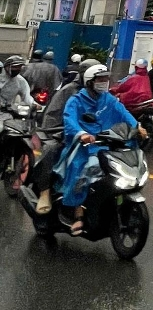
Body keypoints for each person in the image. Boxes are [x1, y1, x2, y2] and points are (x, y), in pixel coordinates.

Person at [54, 64, 145, 235]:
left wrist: (137, 126)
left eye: (106, 78)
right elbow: (69, 120)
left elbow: (123, 112)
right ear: (90, 81)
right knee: (85, 171)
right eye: (100, 79)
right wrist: (81, 133)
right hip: (84, 146)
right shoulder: (76, 101)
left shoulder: (108, 99)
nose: (104, 82)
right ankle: (78, 214)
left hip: (108, 143)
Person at [33, 59, 96, 216]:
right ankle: (45, 192)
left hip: (93, 135)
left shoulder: (101, 94)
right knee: (51, 150)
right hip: (64, 132)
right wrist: (64, 132)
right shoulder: (68, 91)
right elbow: (52, 116)